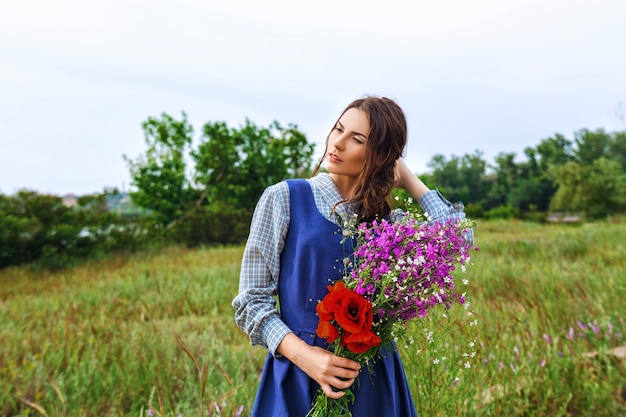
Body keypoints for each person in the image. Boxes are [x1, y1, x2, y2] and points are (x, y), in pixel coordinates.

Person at [232, 96, 473, 417]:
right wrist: (307, 357)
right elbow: (251, 302)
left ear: (381, 156)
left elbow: (460, 239)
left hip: (374, 380)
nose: (338, 143)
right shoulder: (285, 198)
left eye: (357, 139)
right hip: (299, 375)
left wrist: (411, 181)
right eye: (338, 129)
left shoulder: (390, 226)